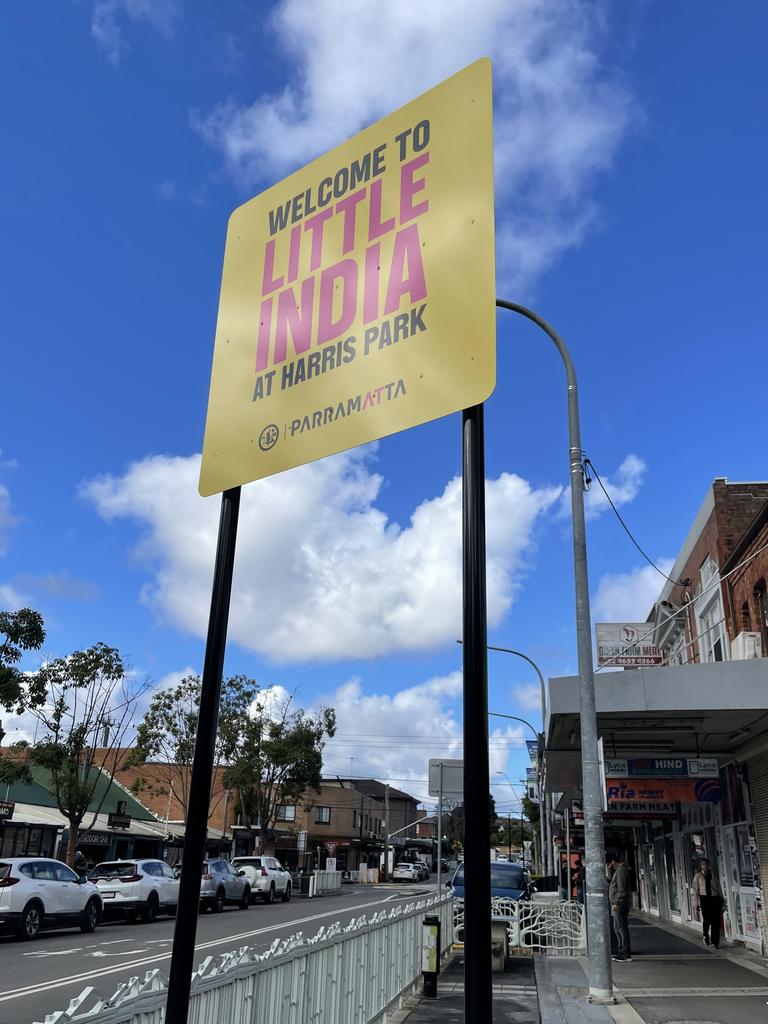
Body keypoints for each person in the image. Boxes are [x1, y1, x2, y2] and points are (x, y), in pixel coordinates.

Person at [692, 858, 724, 949]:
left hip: (714, 899)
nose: (705, 866)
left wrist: (722, 901)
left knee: (715, 921)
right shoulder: (698, 876)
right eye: (703, 864)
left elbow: (719, 889)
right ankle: (705, 935)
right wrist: (696, 904)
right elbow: (695, 890)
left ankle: (715, 942)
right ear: (701, 866)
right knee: (706, 920)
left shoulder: (713, 876)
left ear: (709, 866)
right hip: (704, 899)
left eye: (707, 864)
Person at [607, 850, 632, 962]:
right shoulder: (618, 870)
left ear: (612, 861)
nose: (609, 866)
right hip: (617, 904)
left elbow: (622, 890)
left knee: (621, 928)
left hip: (619, 905)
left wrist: (617, 903)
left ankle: (625, 952)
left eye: (609, 863)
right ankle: (621, 950)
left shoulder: (621, 871)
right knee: (617, 928)